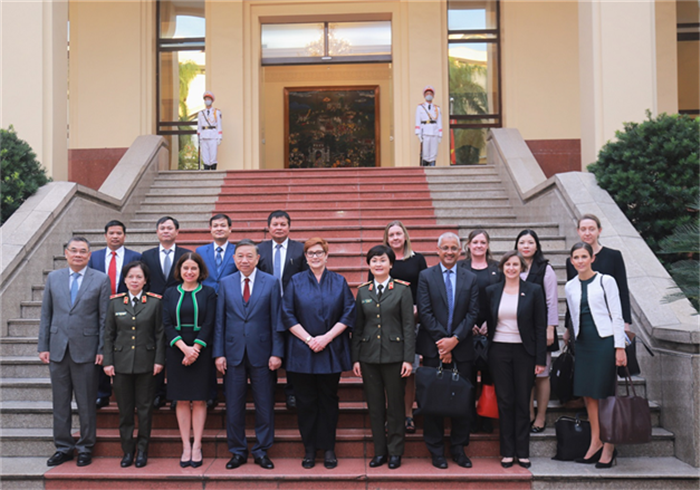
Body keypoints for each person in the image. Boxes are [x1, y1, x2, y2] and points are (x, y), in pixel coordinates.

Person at [281, 237, 355, 469]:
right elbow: (287, 313)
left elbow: (348, 312)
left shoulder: (339, 281)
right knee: (305, 402)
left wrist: (326, 338)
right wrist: (309, 339)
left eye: (319, 253)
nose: (315, 257)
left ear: (326, 255)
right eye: (310, 253)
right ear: (305, 257)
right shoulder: (296, 281)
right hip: (301, 350)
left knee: (328, 400)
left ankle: (329, 448)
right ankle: (310, 449)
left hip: (330, 349)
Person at [37, 237, 112, 467]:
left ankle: (86, 447)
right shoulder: (54, 278)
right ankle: (63, 447)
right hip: (58, 348)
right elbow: (46, 314)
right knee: (60, 402)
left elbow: (104, 318)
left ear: (89, 255)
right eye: (74, 250)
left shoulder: (100, 279)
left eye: (83, 251)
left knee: (86, 402)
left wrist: (102, 349)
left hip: (87, 350)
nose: (78, 254)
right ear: (66, 253)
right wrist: (43, 346)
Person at [214, 239, 284, 470]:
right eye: (240, 256)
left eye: (249, 256)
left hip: (263, 353)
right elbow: (220, 321)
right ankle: (237, 451)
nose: (244, 260)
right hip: (232, 353)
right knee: (234, 406)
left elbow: (276, 319)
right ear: (234, 259)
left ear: (257, 258)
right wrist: (219, 353)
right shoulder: (225, 283)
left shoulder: (271, 282)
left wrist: (277, 352)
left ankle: (262, 450)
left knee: (264, 404)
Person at [416, 232, 479, 469]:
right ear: (438, 250)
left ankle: (459, 448)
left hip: (462, 349)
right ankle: (436, 451)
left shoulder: (470, 278)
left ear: (460, 251)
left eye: (454, 248)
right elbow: (424, 312)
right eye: (445, 248)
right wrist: (443, 342)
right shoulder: (426, 276)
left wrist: (454, 340)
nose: (450, 252)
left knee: (462, 400)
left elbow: (472, 313)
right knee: (434, 400)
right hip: (434, 349)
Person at [353, 245, 415, 470]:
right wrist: (356, 358)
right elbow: (358, 328)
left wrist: (408, 359)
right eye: (374, 261)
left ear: (391, 264)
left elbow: (408, 326)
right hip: (369, 356)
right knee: (375, 406)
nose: (378, 264)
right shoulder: (363, 291)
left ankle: (395, 451)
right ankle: (380, 451)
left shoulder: (402, 290)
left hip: (395, 356)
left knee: (396, 406)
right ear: (369, 265)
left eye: (382, 260)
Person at [565, 242, 626, 469]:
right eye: (576, 257)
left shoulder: (605, 281)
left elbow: (617, 315)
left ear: (592, 258)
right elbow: (573, 314)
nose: (580, 261)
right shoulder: (570, 286)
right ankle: (595, 441)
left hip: (604, 342)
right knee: (588, 395)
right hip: (583, 343)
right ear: (572, 261)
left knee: (604, 395)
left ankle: (609, 445)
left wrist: (619, 347)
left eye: (584, 256)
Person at [485, 250, 547, 469]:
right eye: (507, 264)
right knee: (505, 401)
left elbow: (540, 326)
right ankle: (507, 451)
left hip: (524, 352)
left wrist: (540, 359)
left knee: (522, 401)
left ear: (522, 268)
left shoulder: (534, 290)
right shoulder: (492, 291)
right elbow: (486, 319)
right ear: (502, 267)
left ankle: (523, 452)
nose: (511, 268)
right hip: (499, 350)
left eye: (515, 265)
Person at [103, 261, 165, 468]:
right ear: (125, 280)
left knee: (145, 410)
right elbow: (108, 335)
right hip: (121, 364)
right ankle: (128, 451)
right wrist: (108, 362)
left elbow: (160, 334)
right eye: (131, 277)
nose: (135, 280)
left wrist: (159, 360)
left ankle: (143, 451)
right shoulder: (115, 303)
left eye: (139, 277)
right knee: (125, 411)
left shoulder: (155, 302)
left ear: (145, 280)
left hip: (147, 363)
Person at [367, 220, 427, 434]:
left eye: (398, 234)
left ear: (405, 236)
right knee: (388, 372)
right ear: (386, 238)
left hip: (412, 322)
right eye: (391, 235)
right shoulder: (380, 260)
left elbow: (424, 288)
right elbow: (372, 289)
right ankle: (392, 414)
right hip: (386, 323)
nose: (395, 238)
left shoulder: (417, 259)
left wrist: (416, 310)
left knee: (409, 371)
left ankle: (408, 414)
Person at [163, 253, 217, 468]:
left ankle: (197, 445)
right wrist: (184, 348)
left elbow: (210, 322)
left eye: (194, 268)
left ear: (200, 270)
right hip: (177, 349)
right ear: (179, 270)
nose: (189, 272)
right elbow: (166, 323)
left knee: (199, 399)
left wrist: (195, 348)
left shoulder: (208, 293)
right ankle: (186, 445)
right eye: (185, 268)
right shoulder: (170, 293)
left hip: (201, 350)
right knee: (182, 399)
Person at [88, 220, 142, 410]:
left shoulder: (135, 256)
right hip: (99, 309)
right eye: (111, 233)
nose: (115, 236)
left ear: (124, 236)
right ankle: (102, 393)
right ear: (105, 236)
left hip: (126, 309)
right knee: (102, 348)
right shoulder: (94, 257)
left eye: (119, 233)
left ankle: (128, 393)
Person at [257, 210, 308, 410]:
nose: (279, 228)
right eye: (275, 224)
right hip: (264, 307)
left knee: (293, 349)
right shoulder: (259, 249)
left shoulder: (300, 249)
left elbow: (305, 279)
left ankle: (292, 391)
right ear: (268, 227)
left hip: (293, 308)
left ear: (289, 226)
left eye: (283, 224)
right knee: (268, 348)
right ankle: (267, 391)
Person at [140, 216, 193, 409]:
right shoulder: (147, 255)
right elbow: (145, 283)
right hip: (153, 309)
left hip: (179, 308)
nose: (166, 231)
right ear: (157, 232)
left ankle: (176, 393)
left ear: (177, 232)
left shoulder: (185, 254)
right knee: (156, 351)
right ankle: (157, 393)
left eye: (170, 228)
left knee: (176, 351)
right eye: (162, 228)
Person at [514, 229, 559, 433]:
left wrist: (551, 328)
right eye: (522, 242)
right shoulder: (513, 266)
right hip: (519, 331)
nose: (526, 246)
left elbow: (551, 301)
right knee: (525, 375)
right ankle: (529, 414)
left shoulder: (545, 269)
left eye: (530, 242)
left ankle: (541, 416)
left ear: (537, 246)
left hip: (541, 329)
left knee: (542, 374)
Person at [458, 229, 502, 434]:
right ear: (468, 245)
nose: (478, 246)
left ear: (488, 245)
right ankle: (468, 418)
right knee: (466, 376)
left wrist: (490, 324)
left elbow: (501, 297)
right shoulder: (460, 267)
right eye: (475, 242)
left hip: (491, 328)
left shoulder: (497, 268)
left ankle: (485, 416)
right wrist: (468, 323)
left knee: (488, 375)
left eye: (482, 242)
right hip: (465, 329)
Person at [196, 213, 238, 409]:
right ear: (210, 229)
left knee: (229, 348)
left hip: (232, 306)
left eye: (223, 226)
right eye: (215, 226)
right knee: (209, 348)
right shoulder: (200, 251)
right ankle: (210, 393)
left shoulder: (237, 251)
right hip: (207, 305)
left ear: (230, 229)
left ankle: (231, 393)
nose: (219, 229)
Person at [565, 214, 632, 328]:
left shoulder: (613, 256)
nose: (587, 233)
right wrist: (568, 325)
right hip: (582, 320)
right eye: (583, 229)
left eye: (591, 229)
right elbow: (571, 294)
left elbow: (622, 290)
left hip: (608, 319)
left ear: (599, 230)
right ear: (578, 231)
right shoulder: (572, 261)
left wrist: (625, 322)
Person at [414, 85, 442, 166]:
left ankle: (433, 166)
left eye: (430, 94)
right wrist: (418, 133)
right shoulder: (420, 107)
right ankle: (425, 167)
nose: (429, 95)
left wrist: (440, 134)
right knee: (425, 152)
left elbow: (439, 122)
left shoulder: (437, 108)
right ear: (424, 95)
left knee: (434, 152)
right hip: (425, 131)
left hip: (434, 132)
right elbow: (418, 120)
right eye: (427, 94)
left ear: (433, 96)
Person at [197, 91, 222, 170]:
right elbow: (199, 127)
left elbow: (219, 125)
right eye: (206, 99)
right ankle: (206, 171)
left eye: (208, 99)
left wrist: (219, 137)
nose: (207, 101)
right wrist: (199, 137)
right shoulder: (201, 113)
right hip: (204, 135)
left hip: (213, 135)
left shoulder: (216, 112)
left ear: (211, 100)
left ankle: (213, 172)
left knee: (213, 156)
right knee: (205, 157)